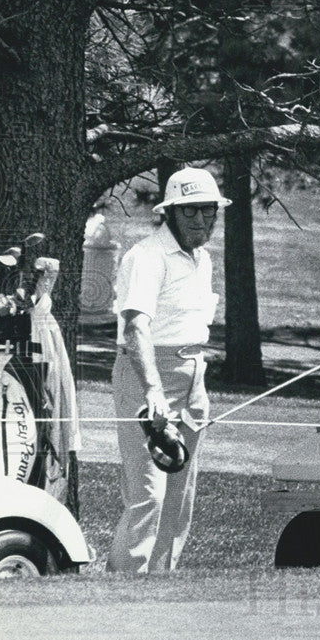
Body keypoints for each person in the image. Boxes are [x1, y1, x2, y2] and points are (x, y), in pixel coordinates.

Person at [107, 167, 230, 573]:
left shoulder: (202, 259)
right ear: (170, 213)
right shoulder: (145, 256)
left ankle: (160, 589)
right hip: (146, 376)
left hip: (193, 374)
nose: (200, 220)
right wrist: (153, 391)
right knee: (149, 495)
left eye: (207, 211)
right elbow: (135, 327)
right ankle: (123, 588)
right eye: (190, 211)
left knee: (180, 495)